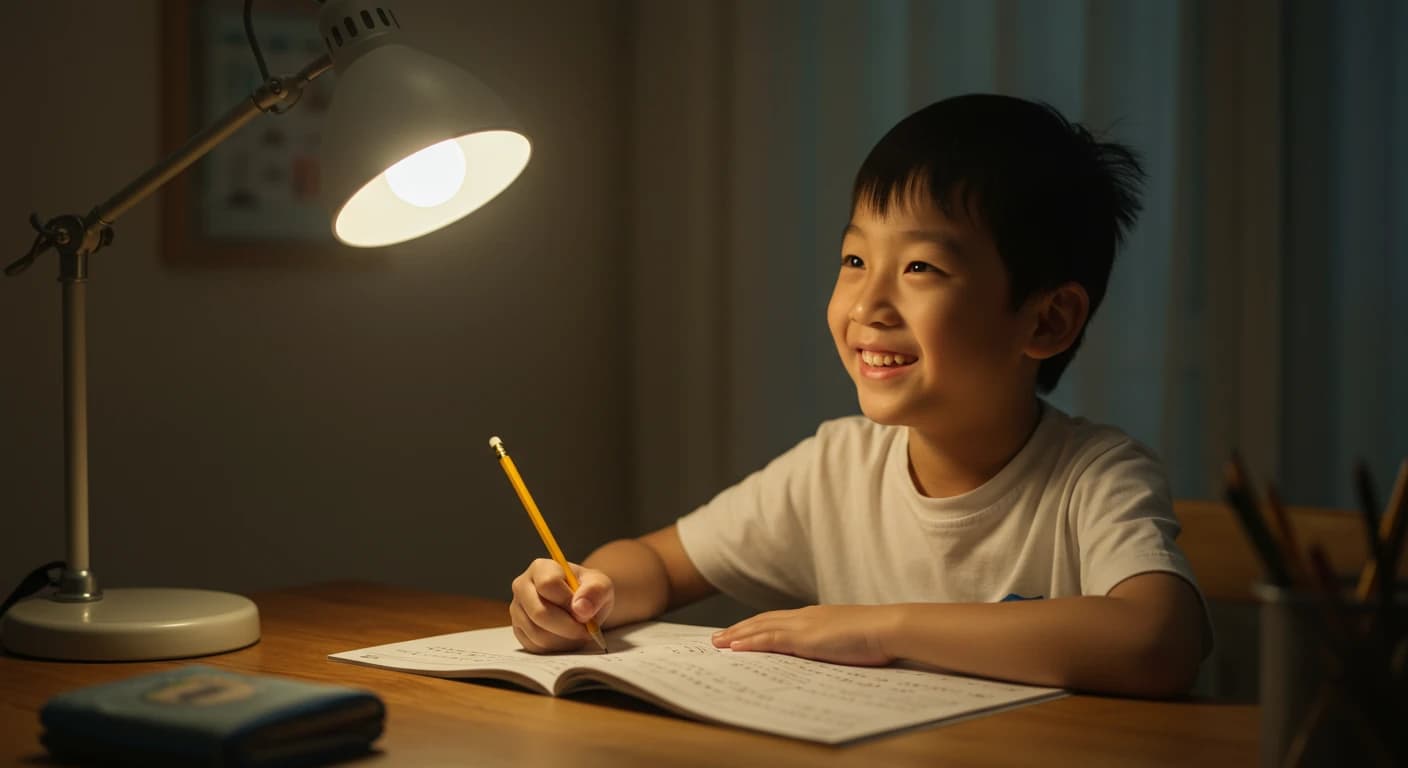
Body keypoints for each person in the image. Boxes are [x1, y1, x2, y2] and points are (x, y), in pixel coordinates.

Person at [509, 93, 1211, 698]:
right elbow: (658, 564)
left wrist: (875, 627)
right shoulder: (836, 468)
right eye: (854, 259)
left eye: (920, 266)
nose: (868, 302)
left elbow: (1158, 639)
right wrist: (587, 588)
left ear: (1046, 319)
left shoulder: (1095, 476)